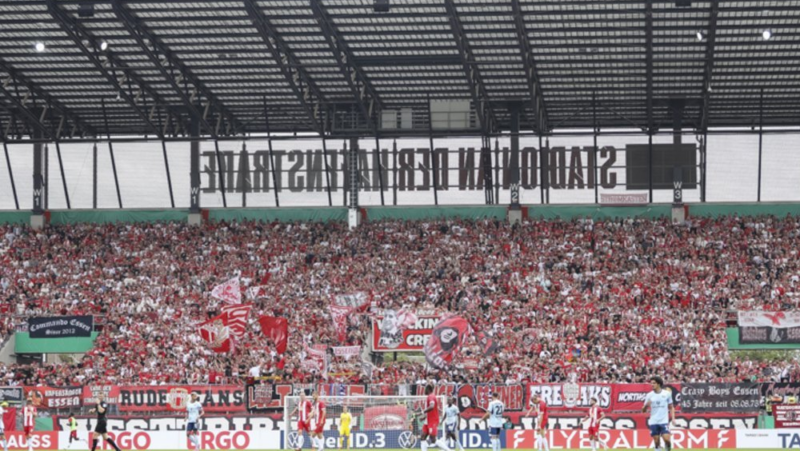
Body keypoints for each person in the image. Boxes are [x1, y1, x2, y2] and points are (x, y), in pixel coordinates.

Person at [642, 376, 675, 451]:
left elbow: (671, 407)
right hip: (653, 421)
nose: (652, 385)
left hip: (664, 421)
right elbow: (643, 410)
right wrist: (646, 405)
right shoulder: (649, 395)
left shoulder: (667, 394)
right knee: (656, 442)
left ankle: (668, 448)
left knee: (667, 440)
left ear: (659, 384)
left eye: (654, 383)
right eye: (651, 383)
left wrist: (673, 418)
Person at [417, 385, 451, 451]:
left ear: (428, 389)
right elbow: (431, 410)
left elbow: (432, 407)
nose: (424, 391)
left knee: (433, 439)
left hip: (432, 420)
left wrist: (422, 412)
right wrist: (424, 417)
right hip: (428, 420)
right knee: (423, 437)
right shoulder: (430, 397)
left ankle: (448, 450)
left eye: (425, 389)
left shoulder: (431, 396)